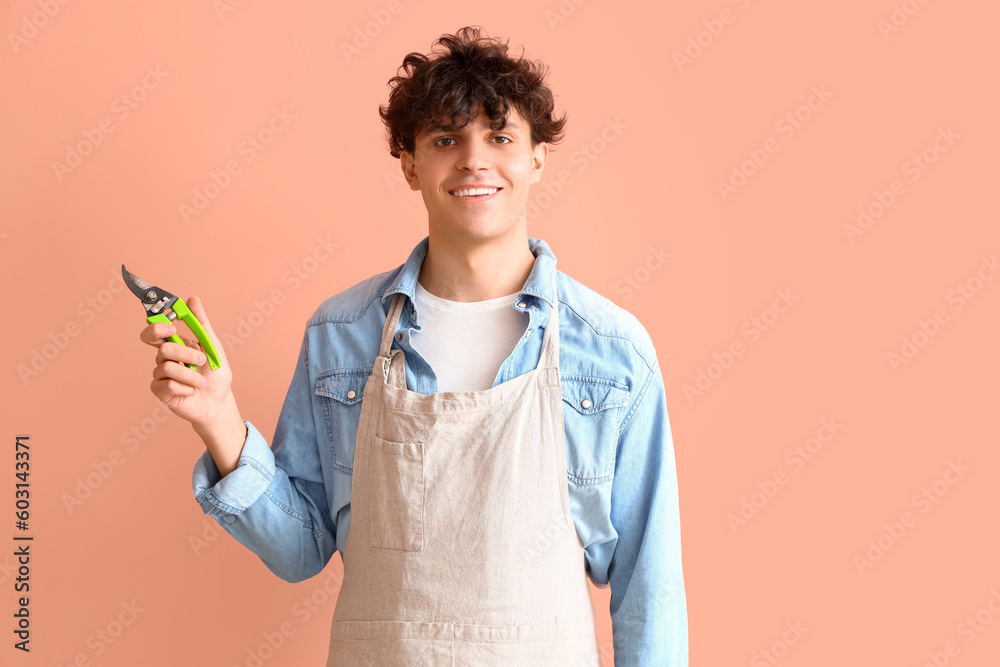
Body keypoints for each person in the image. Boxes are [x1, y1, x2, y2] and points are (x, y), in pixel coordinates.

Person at [139, 26, 687, 666]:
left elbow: (648, 592)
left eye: (501, 137)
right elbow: (299, 551)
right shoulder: (341, 334)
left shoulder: (611, 351)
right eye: (446, 139)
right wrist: (218, 417)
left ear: (538, 157)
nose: (475, 160)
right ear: (409, 164)